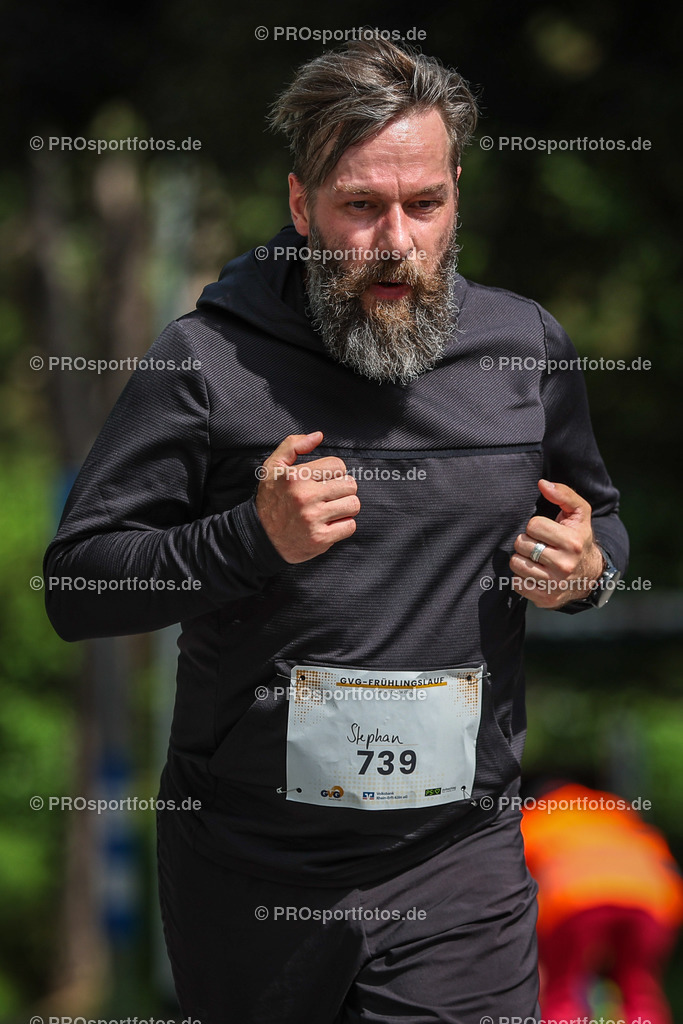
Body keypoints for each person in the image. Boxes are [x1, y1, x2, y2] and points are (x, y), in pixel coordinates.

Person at [44, 39, 628, 1024]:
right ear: (299, 203)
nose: (394, 240)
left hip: (457, 863)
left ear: (454, 196)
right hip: (253, 874)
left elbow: (597, 523)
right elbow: (77, 585)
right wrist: (246, 538)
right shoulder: (208, 360)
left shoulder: (521, 351)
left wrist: (587, 570)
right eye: (360, 206)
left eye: (423, 205)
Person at [521, 781, 683, 1024]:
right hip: (653, 898)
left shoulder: (533, 816)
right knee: (639, 991)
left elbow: (512, 883)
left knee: (562, 992)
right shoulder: (614, 810)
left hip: (575, 899)